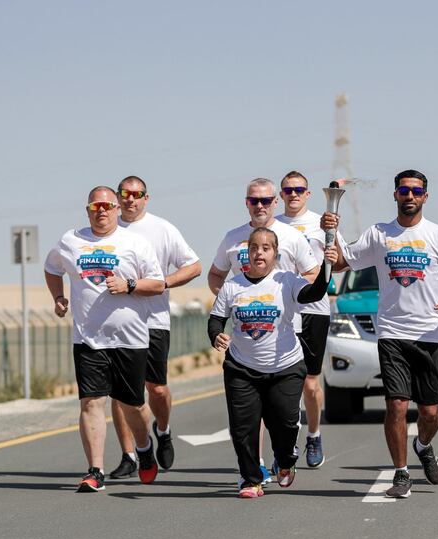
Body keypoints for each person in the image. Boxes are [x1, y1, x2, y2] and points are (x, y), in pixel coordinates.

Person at [322, 169, 438, 498]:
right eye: (404, 190)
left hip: (431, 335)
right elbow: (345, 262)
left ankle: (423, 446)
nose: (409, 196)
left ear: (425, 196)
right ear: (395, 194)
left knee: (430, 412)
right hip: (392, 333)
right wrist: (332, 232)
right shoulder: (379, 234)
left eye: (416, 191)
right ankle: (401, 473)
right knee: (396, 405)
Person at [44, 186, 165, 492]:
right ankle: (95, 471)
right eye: (95, 207)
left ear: (116, 209)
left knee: (133, 404)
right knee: (91, 402)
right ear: (88, 210)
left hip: (130, 338)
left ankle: (143, 447)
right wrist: (58, 297)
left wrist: (130, 284)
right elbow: (50, 267)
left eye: (107, 206)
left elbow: (158, 284)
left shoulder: (134, 242)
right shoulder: (71, 241)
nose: (101, 211)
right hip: (88, 338)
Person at [208, 228, 334, 498]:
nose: (259, 252)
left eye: (266, 248)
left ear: (275, 253)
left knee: (286, 424)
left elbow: (314, 294)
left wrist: (327, 266)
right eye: (254, 247)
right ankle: (251, 479)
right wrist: (216, 335)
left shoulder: (287, 280)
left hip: (285, 367)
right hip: (242, 368)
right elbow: (216, 319)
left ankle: (286, 460)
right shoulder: (233, 286)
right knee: (243, 427)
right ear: (247, 253)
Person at [107, 176, 202, 479]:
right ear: (118, 198)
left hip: (153, 321)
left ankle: (163, 429)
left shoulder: (162, 229)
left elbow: (194, 265)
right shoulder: (107, 230)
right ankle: (129, 454)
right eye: (125, 194)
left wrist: (165, 283)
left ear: (146, 198)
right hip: (116, 323)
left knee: (156, 389)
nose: (130, 199)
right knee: (121, 393)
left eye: (137, 194)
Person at [275, 170, 331, 468]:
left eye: (298, 190)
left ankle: (314, 434)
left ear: (307, 193)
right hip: (282, 311)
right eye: (287, 190)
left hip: (314, 310)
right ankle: (283, 444)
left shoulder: (322, 223)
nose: (293, 194)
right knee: (281, 382)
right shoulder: (272, 225)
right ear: (280, 195)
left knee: (310, 383)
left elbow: (340, 261)